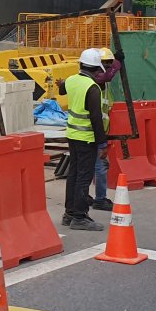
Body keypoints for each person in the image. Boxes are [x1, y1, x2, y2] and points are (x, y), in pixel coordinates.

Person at [61, 47, 111, 231]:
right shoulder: (93, 88)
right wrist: (103, 144)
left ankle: (69, 214)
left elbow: (61, 86)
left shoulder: (72, 80)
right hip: (86, 138)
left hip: (72, 135)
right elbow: (96, 119)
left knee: (73, 175)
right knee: (84, 177)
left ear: (81, 64)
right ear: (97, 69)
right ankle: (80, 217)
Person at [88, 47, 126, 211]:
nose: (108, 66)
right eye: (106, 63)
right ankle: (100, 199)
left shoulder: (93, 80)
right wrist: (117, 64)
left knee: (90, 166)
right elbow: (108, 75)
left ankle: (86, 196)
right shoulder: (98, 79)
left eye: (110, 63)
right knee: (100, 165)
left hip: (96, 130)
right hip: (95, 131)